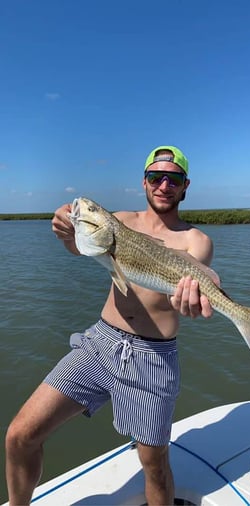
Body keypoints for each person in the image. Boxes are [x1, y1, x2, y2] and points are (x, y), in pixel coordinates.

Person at [5, 145, 217, 506]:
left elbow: (182, 297)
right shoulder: (119, 220)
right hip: (99, 343)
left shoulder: (197, 241)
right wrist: (66, 229)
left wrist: (191, 303)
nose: (164, 185)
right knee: (19, 435)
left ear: (185, 186)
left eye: (173, 179)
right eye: (156, 177)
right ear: (144, 182)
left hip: (153, 357)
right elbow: (83, 245)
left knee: (153, 464)